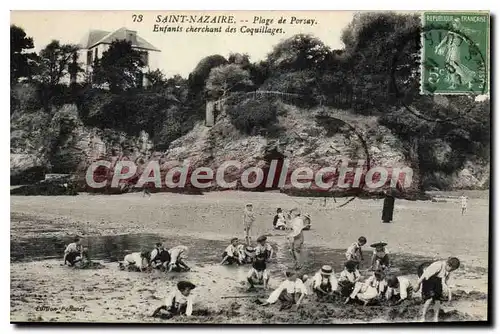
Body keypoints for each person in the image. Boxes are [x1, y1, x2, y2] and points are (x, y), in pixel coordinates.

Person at [414, 257, 460, 322]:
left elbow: (447, 281)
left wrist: (450, 293)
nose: (451, 271)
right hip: (427, 278)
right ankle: (422, 317)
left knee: (437, 300)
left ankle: (435, 318)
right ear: (448, 264)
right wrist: (418, 284)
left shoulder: (448, 270)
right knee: (429, 298)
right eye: (451, 269)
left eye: (453, 270)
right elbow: (424, 275)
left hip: (437, 279)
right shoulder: (438, 265)